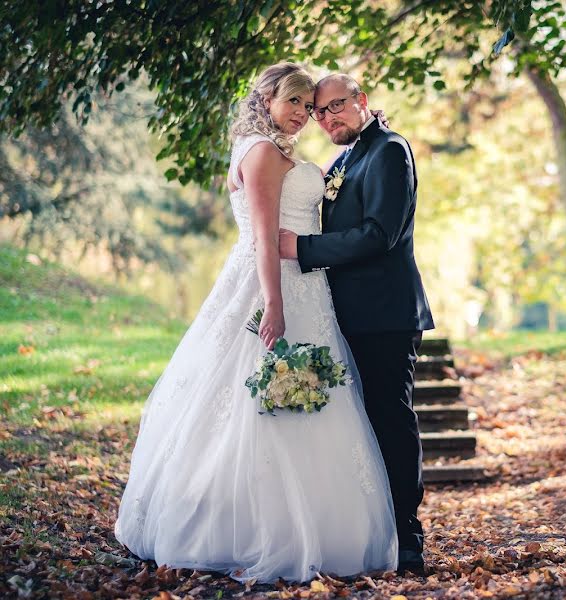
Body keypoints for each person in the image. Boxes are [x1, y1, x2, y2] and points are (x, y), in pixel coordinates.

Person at [114, 62, 398, 584]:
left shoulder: (273, 150)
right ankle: (250, 527)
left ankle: (314, 523)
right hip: (278, 285)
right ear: (267, 98)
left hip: (306, 286)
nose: (303, 115)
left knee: (300, 397)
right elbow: (264, 238)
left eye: (308, 107)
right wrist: (274, 304)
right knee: (255, 398)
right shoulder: (264, 153)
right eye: (294, 103)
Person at [278, 73, 434, 574]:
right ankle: (370, 529)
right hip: (341, 315)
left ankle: (408, 536)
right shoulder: (343, 158)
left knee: (389, 417)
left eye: (336, 106)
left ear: (362, 101)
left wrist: (299, 249)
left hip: (385, 314)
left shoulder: (389, 150)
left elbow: (378, 234)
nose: (327, 118)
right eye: (320, 112)